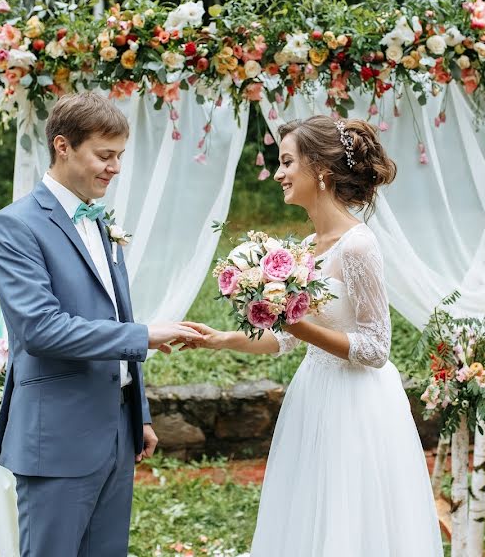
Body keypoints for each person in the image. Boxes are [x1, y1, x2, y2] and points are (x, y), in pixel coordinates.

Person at [185, 115, 444, 556]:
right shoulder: (304, 250)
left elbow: (376, 348)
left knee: (352, 519)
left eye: (287, 162)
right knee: (310, 514)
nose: (280, 174)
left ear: (321, 169)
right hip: (313, 395)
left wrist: (294, 323)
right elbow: (284, 341)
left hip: (359, 403)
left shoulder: (358, 245)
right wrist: (221, 339)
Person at [0, 92, 202, 557]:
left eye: (119, 156)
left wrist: (137, 413)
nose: (115, 167)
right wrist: (145, 334)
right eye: (105, 155)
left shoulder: (101, 223)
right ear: (63, 146)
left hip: (116, 434)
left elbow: (113, 314)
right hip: (58, 439)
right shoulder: (13, 227)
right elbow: (41, 329)